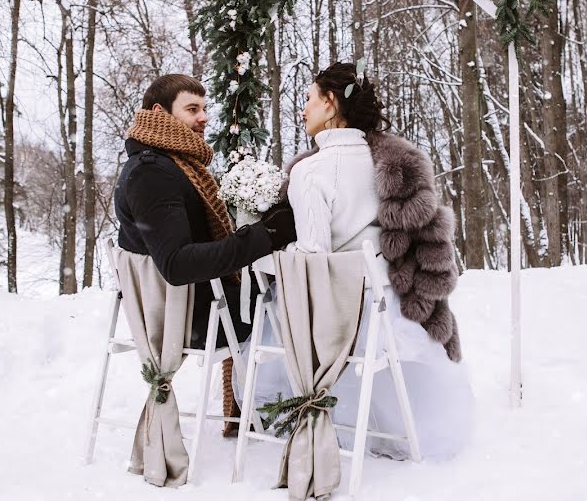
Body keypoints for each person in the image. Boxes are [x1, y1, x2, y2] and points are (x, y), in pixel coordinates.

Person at [243, 63, 474, 459]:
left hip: (332, 314)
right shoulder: (386, 163)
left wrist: (269, 257)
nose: (303, 109)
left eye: (310, 99)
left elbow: (312, 252)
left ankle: (309, 414)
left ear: (331, 103)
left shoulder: (310, 171)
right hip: (384, 306)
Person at [114, 73, 297, 433]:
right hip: (183, 322)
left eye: (205, 108)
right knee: (287, 304)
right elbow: (178, 264)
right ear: (159, 112)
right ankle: (282, 411)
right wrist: (265, 235)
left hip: (185, 307)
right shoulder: (153, 174)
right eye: (192, 109)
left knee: (273, 294)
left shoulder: (170, 165)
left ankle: (257, 407)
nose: (204, 118)